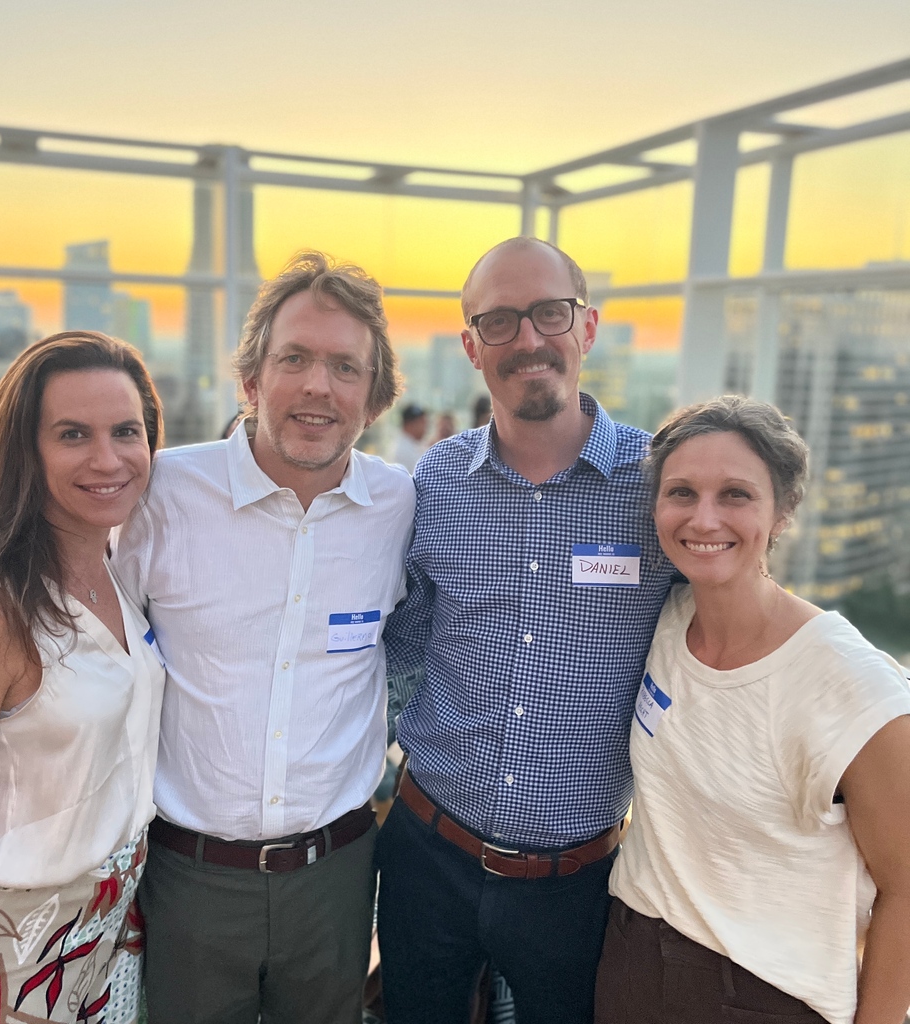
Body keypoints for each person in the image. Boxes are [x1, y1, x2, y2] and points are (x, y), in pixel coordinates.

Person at [377, 236, 677, 1024]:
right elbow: (403, 640)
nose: (529, 339)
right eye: (500, 321)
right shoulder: (437, 479)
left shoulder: (660, 485)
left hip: (576, 884)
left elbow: (725, 629)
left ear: (587, 327)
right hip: (427, 854)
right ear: (472, 346)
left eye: (550, 313)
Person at [112, 251, 415, 1024]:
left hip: (336, 877)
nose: (319, 385)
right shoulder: (164, 494)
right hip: (188, 875)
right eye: (295, 359)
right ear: (251, 379)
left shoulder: (400, 506)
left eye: (345, 367)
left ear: (374, 396)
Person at [595, 396, 910, 1024]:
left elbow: (905, 887)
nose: (704, 518)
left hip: (762, 993)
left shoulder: (851, 685)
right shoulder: (666, 620)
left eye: (735, 494)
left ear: (783, 510)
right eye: (681, 493)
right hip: (630, 959)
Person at [0, 331, 166, 1024]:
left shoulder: (120, 572)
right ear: (24, 450)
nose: (108, 459)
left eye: (126, 431)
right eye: (73, 434)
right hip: (15, 954)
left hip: (116, 931)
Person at [391, 402, 430, 472]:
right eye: (423, 423)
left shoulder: (413, 444)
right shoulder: (403, 450)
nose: (426, 429)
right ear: (411, 424)